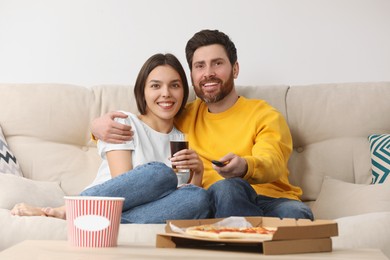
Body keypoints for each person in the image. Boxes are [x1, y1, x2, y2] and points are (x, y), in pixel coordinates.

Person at [91, 29, 314, 220]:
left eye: (217, 63)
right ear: (192, 75)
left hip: (270, 201)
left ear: (235, 69)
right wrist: (96, 127)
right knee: (222, 190)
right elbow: (148, 123)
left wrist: (245, 166)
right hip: (215, 201)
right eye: (200, 66)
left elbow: (273, 161)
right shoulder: (183, 114)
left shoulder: (264, 115)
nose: (208, 73)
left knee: (296, 215)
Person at [11, 53, 211, 223]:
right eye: (156, 86)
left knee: (199, 197)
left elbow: (183, 200)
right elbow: (124, 184)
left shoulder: (181, 138)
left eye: (174, 85)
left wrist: (198, 173)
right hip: (108, 203)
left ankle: (104, 223)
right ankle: (70, 209)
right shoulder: (123, 123)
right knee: (160, 174)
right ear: (143, 91)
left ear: (184, 91)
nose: (166, 94)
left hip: (136, 216)